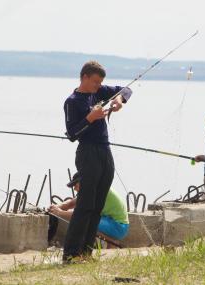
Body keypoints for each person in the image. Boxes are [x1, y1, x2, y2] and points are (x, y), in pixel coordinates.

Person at [63, 61, 132, 262]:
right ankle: (71, 253)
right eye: (95, 81)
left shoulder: (99, 91)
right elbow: (72, 134)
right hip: (87, 151)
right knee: (85, 205)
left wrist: (118, 100)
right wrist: (90, 118)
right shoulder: (72, 101)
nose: (98, 85)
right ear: (84, 77)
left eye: (100, 82)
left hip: (104, 150)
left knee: (98, 204)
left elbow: (126, 90)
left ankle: (85, 253)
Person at [48, 172, 129, 243]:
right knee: (87, 219)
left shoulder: (95, 192)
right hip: (111, 221)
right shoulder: (92, 188)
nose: (74, 188)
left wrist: (59, 212)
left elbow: (80, 214)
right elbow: (70, 203)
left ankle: (112, 243)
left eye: (75, 185)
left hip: (119, 226)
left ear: (83, 182)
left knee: (85, 221)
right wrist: (57, 207)